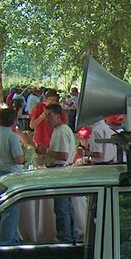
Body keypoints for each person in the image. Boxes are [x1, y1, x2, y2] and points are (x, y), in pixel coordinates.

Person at [0, 106, 27, 245]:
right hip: (10, 174)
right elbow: (18, 159)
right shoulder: (12, 136)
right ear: (14, 121)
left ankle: (9, 238)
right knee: (11, 211)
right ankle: (7, 242)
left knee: (0, 209)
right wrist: (24, 153)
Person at [43, 104, 78, 243]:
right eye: (45, 116)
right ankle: (70, 235)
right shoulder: (59, 130)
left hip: (61, 171)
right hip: (61, 170)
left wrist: (46, 151)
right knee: (65, 206)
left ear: (58, 116)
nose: (47, 119)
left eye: (49, 115)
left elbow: (63, 155)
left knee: (62, 207)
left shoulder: (62, 131)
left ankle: (65, 237)